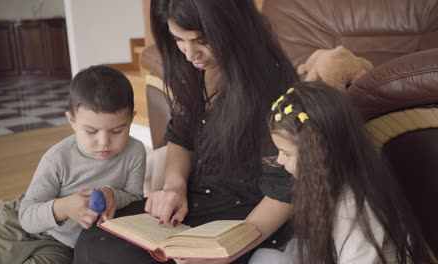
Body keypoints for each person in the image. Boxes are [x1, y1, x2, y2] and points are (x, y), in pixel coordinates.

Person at [74, 0, 298, 263]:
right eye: (179, 39)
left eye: (202, 40)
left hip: (249, 216)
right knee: (95, 239)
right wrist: (174, 186)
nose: (190, 54)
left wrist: (226, 250)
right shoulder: (194, 69)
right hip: (197, 199)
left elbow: (287, 190)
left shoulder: (273, 86)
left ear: (234, 28)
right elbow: (181, 135)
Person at [249, 82, 433, 263]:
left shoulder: (355, 205)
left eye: (286, 153)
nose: (280, 160)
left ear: (320, 153)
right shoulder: (329, 185)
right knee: (265, 257)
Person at [0, 65, 146, 264]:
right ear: (72, 121)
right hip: (19, 221)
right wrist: (63, 208)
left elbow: (135, 198)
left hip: (63, 244)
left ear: (131, 120)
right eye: (91, 131)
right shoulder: (58, 157)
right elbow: (27, 216)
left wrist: (113, 195)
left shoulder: (135, 152)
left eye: (117, 130)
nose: (104, 141)